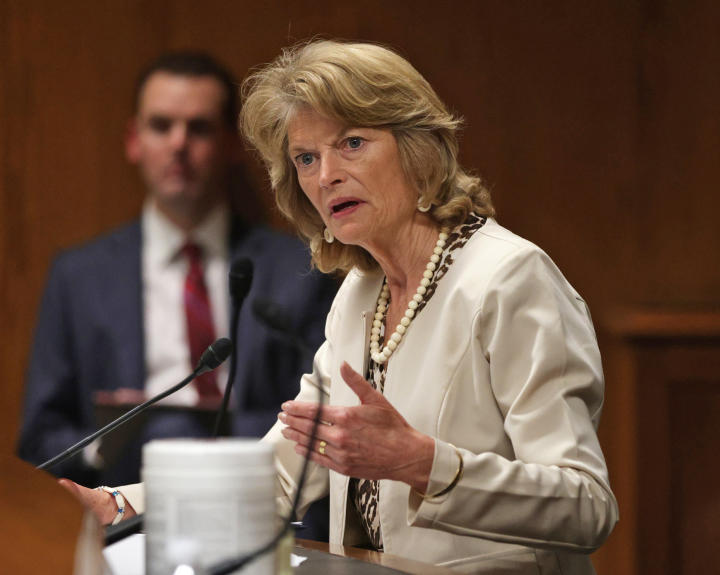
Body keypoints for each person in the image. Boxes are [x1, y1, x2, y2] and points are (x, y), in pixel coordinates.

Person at [63, 39, 618, 573]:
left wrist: (424, 464)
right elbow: (283, 474)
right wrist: (120, 504)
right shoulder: (359, 292)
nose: (326, 175)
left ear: (416, 145)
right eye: (306, 157)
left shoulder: (508, 279)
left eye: (351, 142)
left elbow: (588, 505)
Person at [18, 52, 338, 491]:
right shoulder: (78, 275)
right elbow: (40, 438)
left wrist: (197, 439)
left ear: (230, 144)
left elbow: (320, 416)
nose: (178, 144)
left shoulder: (301, 268)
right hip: (120, 503)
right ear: (134, 140)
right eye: (161, 125)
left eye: (199, 127)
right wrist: (105, 445)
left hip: (259, 495)